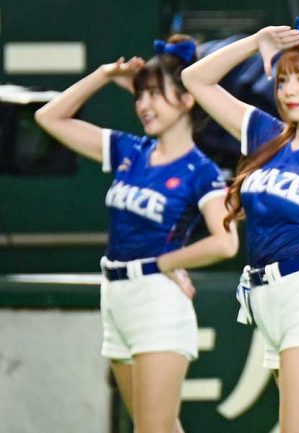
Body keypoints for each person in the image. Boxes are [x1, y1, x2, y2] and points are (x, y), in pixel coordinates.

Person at [34, 35, 239, 433]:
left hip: (156, 301)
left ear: (187, 99)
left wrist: (167, 262)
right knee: (155, 427)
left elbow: (226, 241)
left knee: (151, 428)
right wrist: (103, 74)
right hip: (116, 297)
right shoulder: (132, 151)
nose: (144, 105)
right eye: (140, 95)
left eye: (155, 94)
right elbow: (50, 117)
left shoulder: (200, 171)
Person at [181, 18, 299, 433]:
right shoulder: (266, 134)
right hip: (266, 300)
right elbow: (195, 79)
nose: (288, 90)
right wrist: (255, 41)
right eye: (283, 79)